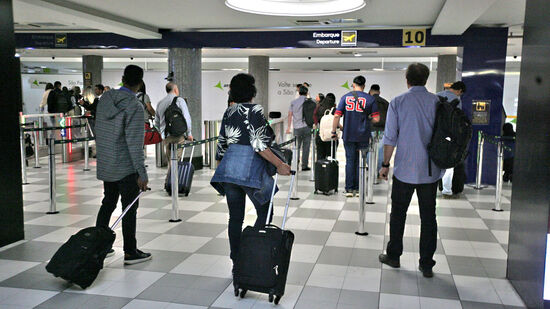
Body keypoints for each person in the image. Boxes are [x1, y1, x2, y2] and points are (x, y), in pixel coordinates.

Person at [210, 73, 291, 273]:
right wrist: (280, 164)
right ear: (251, 91)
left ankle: (236, 259)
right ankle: (252, 251)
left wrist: (222, 172)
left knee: (235, 218)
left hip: (229, 169)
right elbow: (259, 145)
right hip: (250, 169)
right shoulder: (255, 110)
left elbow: (222, 144)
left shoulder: (229, 111)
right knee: (266, 210)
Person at [378, 63, 444, 278]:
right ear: (426, 79)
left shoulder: (398, 102)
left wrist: (385, 164)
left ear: (407, 79)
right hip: (430, 170)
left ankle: (394, 256)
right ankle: (426, 264)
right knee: (428, 217)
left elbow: (390, 137)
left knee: (398, 214)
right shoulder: (437, 102)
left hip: (404, 169)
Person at [94, 65, 151, 265]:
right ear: (140, 83)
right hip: (125, 166)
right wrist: (141, 173)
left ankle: (98, 246)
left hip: (107, 162)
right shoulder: (134, 106)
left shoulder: (105, 99)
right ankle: (130, 251)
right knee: (129, 208)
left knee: (108, 203)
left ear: (123, 78)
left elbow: (99, 131)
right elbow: (134, 143)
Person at [331, 76, 379, 197]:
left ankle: (349, 189)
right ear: (364, 86)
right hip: (363, 136)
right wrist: (367, 122)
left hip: (349, 134)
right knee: (361, 161)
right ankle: (359, 189)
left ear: (353, 84)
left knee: (350, 161)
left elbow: (337, 116)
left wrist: (333, 131)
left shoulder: (345, 97)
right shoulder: (370, 99)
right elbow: (376, 118)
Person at [436, 81, 467, 198]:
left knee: (434, 161)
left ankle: (431, 186)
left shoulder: (436, 95)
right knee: (448, 164)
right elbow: (458, 120)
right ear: (459, 91)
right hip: (449, 135)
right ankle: (447, 190)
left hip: (435, 134)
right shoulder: (457, 100)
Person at [155, 82, 193, 163]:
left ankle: (171, 175)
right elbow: (187, 117)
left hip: (166, 136)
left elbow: (157, 122)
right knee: (176, 161)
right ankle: (172, 175)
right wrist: (189, 133)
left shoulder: (160, 103)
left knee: (170, 161)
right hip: (178, 135)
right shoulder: (180, 100)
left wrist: (162, 133)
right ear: (175, 90)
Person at [286, 85, 312, 171]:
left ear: (299, 92)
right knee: (306, 147)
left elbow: (290, 115)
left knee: (296, 147)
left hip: (297, 128)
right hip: (307, 127)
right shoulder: (310, 102)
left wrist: (288, 127)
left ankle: (295, 165)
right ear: (307, 92)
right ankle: (304, 165)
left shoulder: (293, 102)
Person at [369, 84, 389, 173]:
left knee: (370, 150)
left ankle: (371, 170)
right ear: (379, 92)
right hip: (383, 129)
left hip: (371, 129)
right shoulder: (385, 102)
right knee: (381, 151)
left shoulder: (368, 102)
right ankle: (378, 171)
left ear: (370, 91)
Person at [314, 93, 337, 160]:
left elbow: (315, 118)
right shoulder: (334, 109)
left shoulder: (318, 107)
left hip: (321, 134)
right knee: (331, 157)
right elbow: (337, 118)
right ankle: (330, 170)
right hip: (331, 136)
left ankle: (320, 169)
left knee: (320, 156)